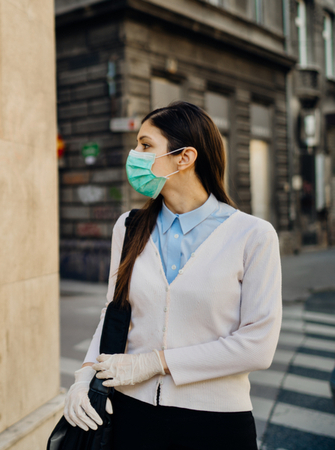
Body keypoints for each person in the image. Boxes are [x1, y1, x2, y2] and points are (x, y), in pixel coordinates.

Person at [63, 101, 282, 450]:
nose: (135, 154)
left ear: (185, 157)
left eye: (146, 145)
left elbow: (257, 347)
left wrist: (156, 363)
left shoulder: (252, 235)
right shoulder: (129, 226)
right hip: (130, 414)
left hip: (216, 422)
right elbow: (113, 311)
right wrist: (86, 371)